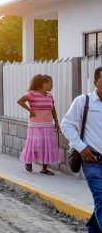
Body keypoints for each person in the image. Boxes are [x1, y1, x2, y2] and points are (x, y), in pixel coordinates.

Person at [62, 67, 102, 232]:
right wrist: (81, 147)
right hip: (92, 159)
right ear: (95, 82)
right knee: (101, 197)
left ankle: (93, 229)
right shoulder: (83, 101)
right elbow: (66, 125)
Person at [16, 74, 60, 174]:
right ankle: (29, 162)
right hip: (35, 125)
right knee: (36, 144)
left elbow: (53, 109)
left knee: (47, 146)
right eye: (50, 84)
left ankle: (44, 169)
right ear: (44, 84)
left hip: (48, 124)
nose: (52, 86)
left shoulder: (50, 96)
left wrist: (56, 121)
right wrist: (30, 110)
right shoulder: (32, 94)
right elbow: (20, 101)